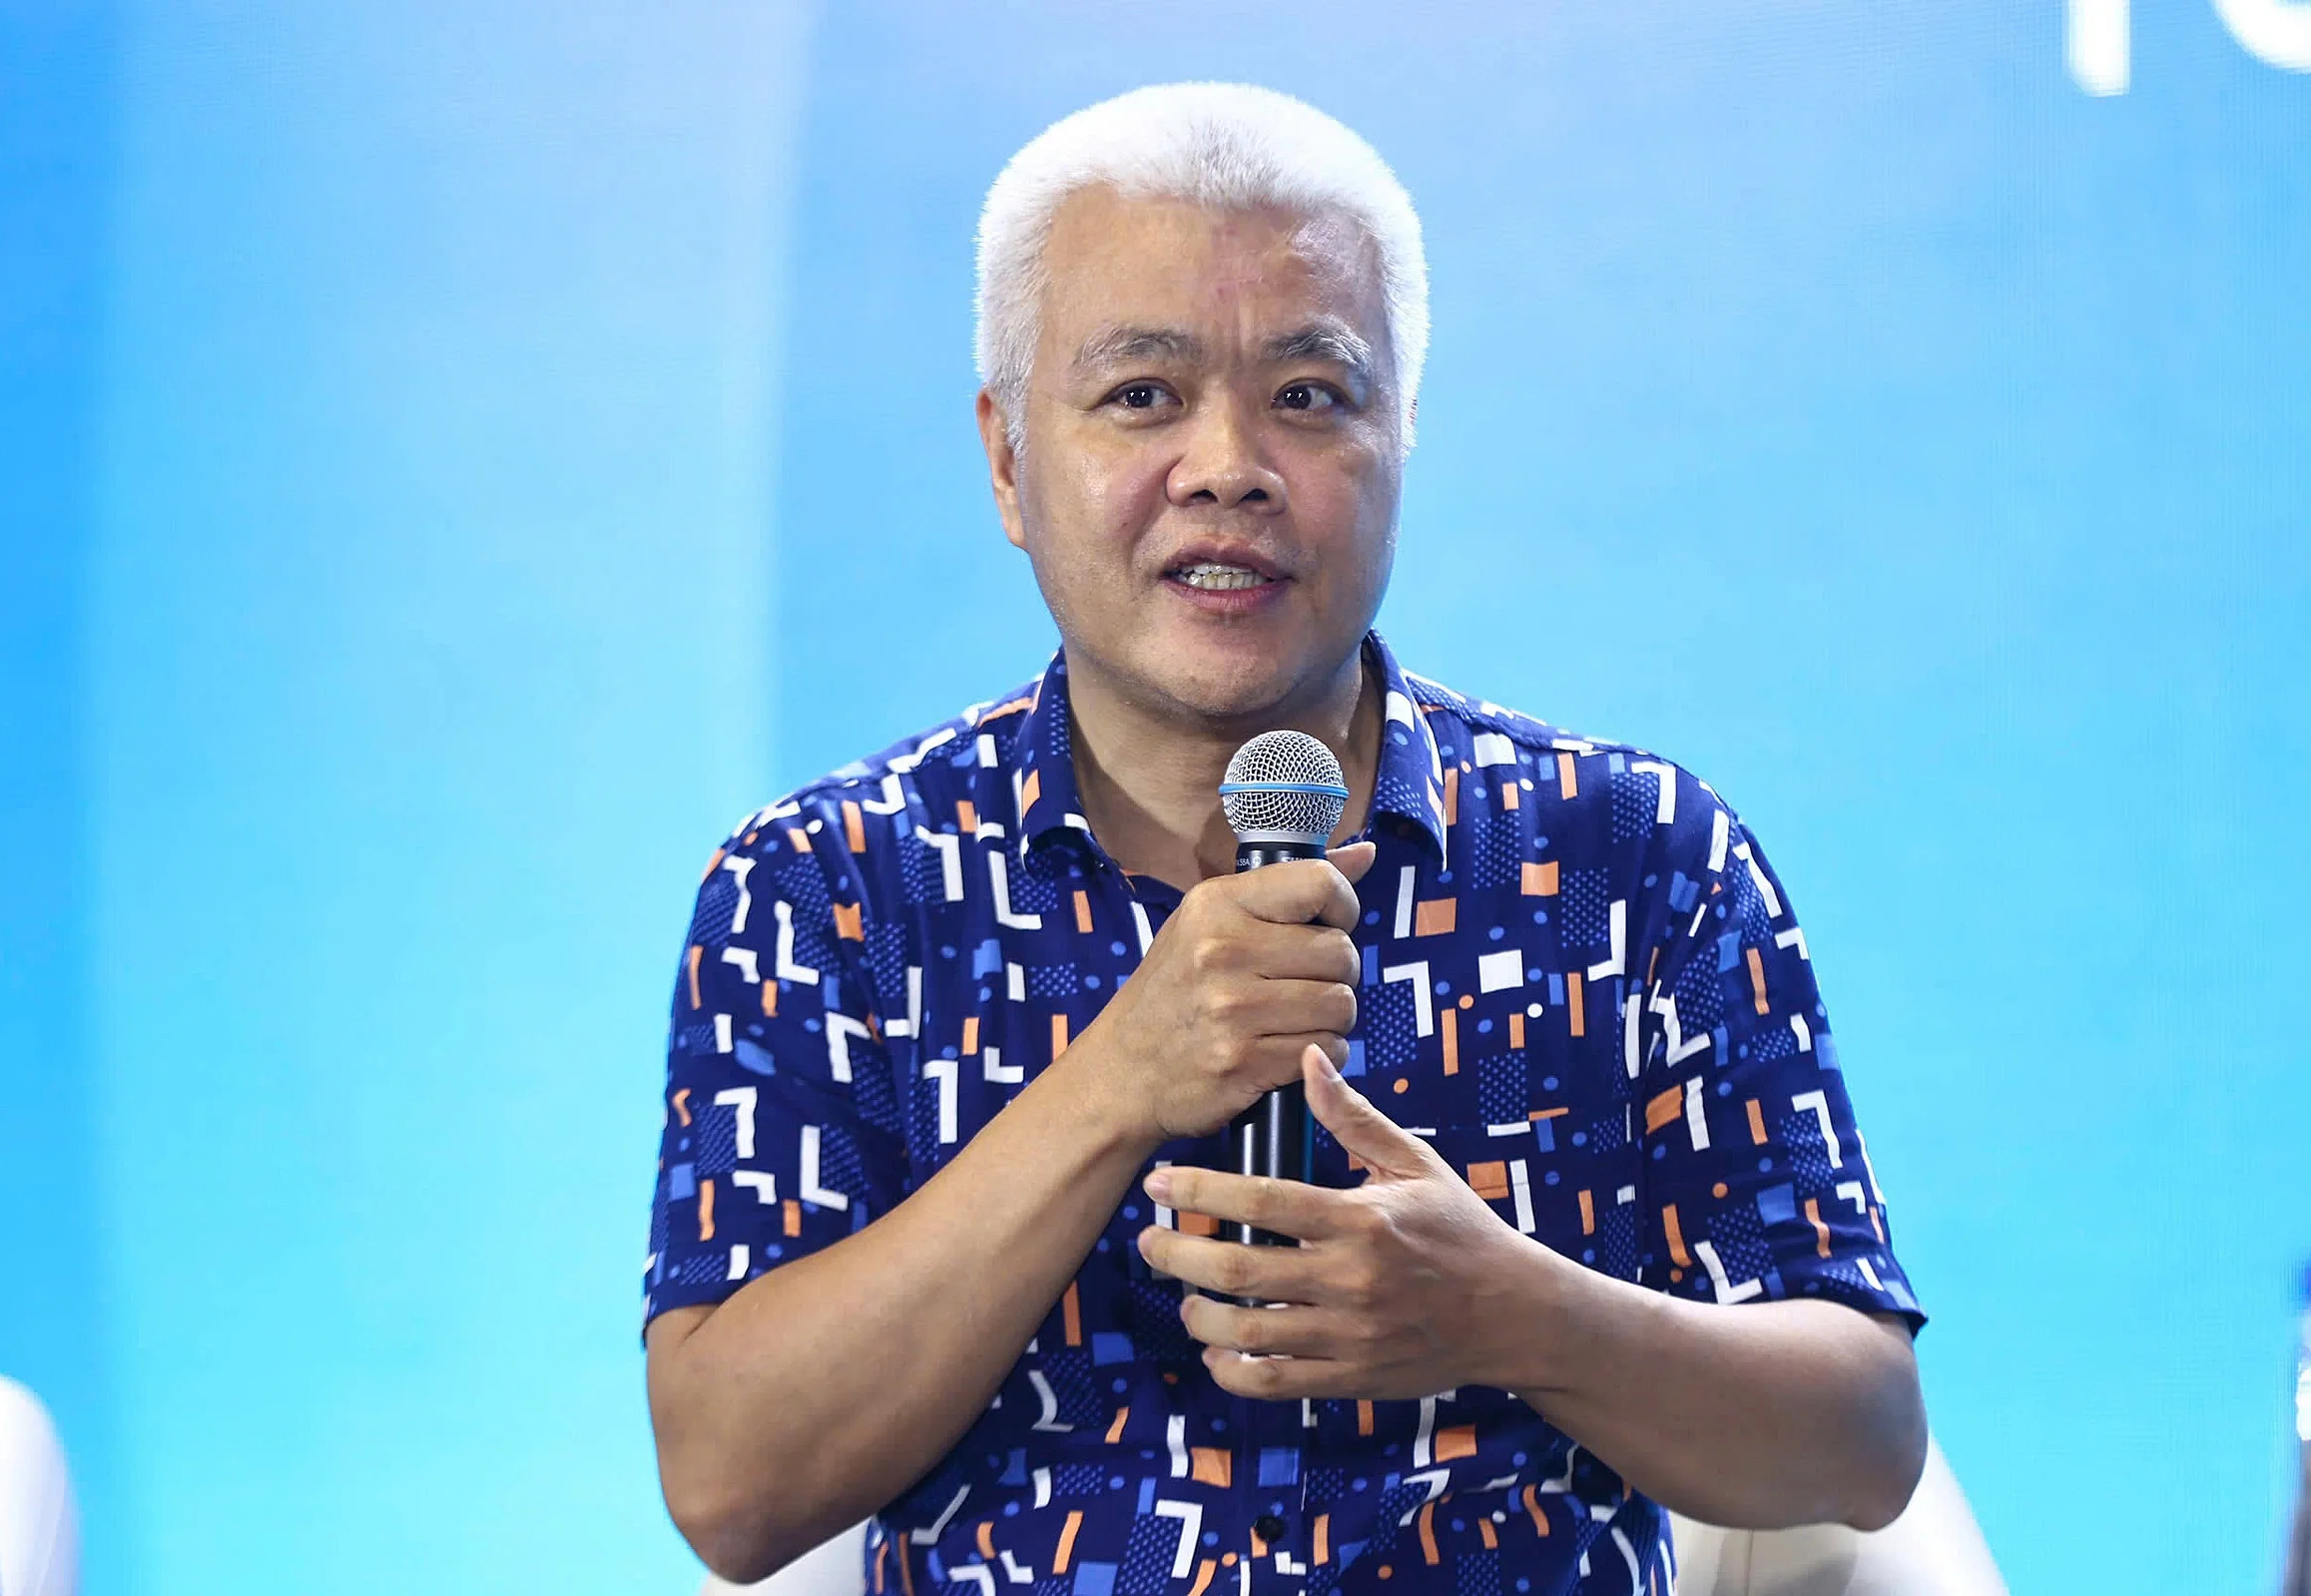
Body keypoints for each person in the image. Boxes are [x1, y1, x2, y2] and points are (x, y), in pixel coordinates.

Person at [643, 82, 1927, 1596]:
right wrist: (1119, 1080)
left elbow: (1861, 1444)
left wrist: (1512, 1313)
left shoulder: (1633, 861)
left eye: (1308, 396)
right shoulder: (827, 891)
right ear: (1004, 461)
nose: (1227, 465)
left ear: (1400, 440)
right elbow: (730, 1486)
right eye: (1141, 395)